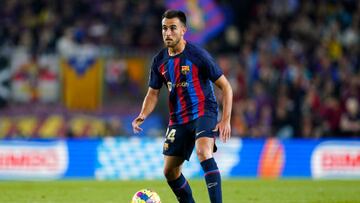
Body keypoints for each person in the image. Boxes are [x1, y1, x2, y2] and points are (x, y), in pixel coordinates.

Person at [132, 9, 233, 203]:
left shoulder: (198, 55)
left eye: (172, 28)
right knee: (170, 172)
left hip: (203, 111)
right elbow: (153, 93)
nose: (167, 33)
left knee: (203, 152)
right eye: (164, 28)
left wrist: (225, 119)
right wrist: (143, 114)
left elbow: (226, 87)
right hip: (178, 119)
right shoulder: (159, 61)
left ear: (184, 30)